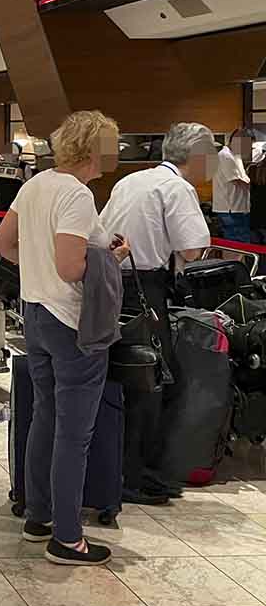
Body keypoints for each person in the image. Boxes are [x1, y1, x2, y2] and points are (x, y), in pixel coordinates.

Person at [0, 110, 129, 566]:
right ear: (93, 150)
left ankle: (39, 517)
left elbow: (2, 243)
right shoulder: (76, 195)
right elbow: (72, 266)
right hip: (71, 323)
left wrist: (38, 271)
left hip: (35, 314)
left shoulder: (36, 185)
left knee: (45, 417)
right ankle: (68, 538)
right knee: (75, 432)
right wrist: (111, 259)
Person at [101, 122, 215, 504]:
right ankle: (136, 474)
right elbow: (193, 249)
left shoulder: (130, 180)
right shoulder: (178, 188)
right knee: (152, 379)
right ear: (196, 158)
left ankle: (118, 467)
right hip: (143, 288)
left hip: (110, 282)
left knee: (121, 376)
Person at [214, 127, 254, 243]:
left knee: (242, 243)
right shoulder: (225, 156)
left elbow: (244, 180)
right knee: (237, 245)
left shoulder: (235, 156)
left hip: (238, 208)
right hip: (231, 210)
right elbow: (238, 181)